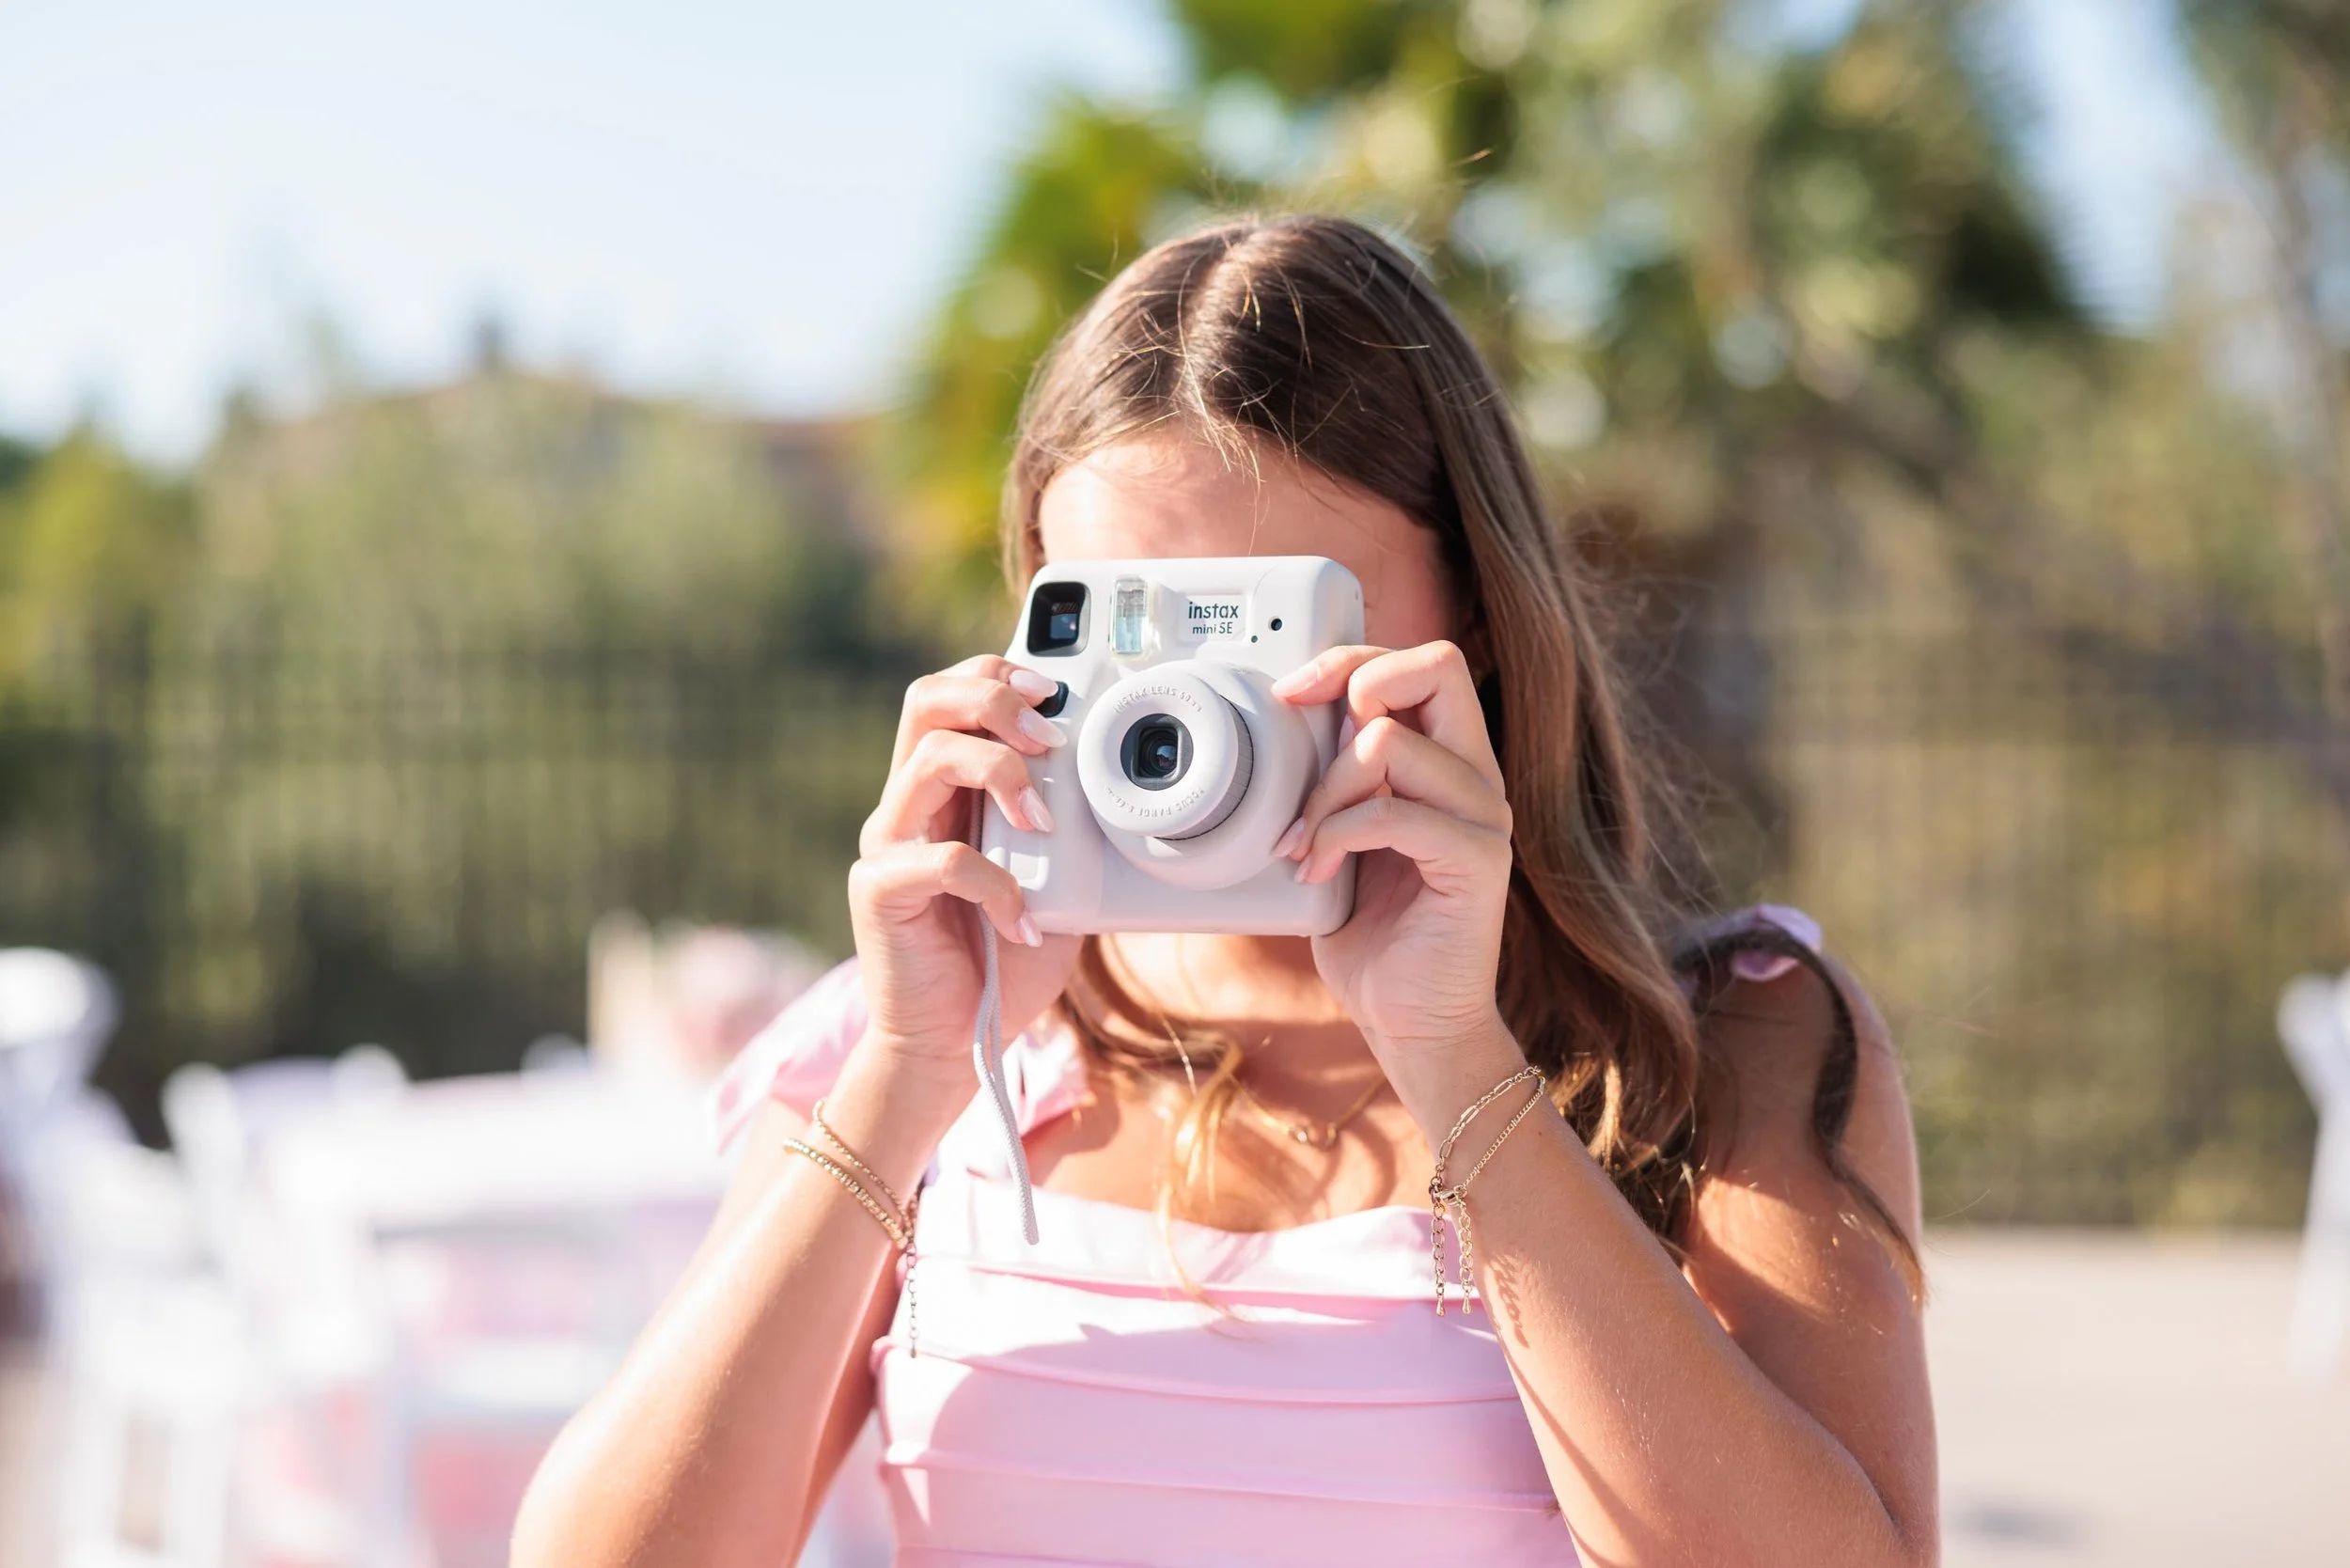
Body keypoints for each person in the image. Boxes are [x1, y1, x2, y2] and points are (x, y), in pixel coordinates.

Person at [512, 215, 1935, 1567]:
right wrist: (907, 1073)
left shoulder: (1728, 1042)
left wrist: (1453, 1057)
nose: (1188, 712)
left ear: (1480, 626)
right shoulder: (918, 1043)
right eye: (1132, 630)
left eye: (1257, 625)